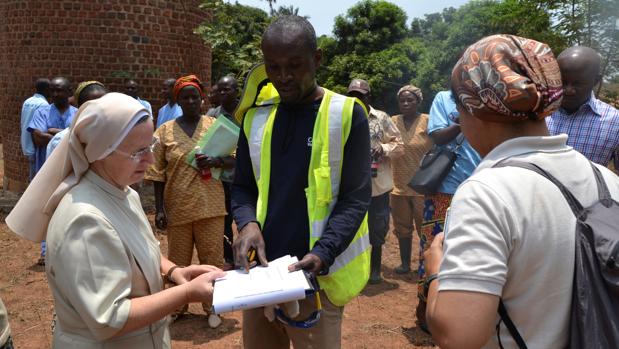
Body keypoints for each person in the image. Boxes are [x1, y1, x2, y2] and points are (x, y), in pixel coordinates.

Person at [423, 34, 619, 349]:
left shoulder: (486, 194)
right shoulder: (607, 181)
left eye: (459, 105)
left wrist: (436, 272)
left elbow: (459, 336)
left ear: (475, 107)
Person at [6, 93, 224, 348]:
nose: (151, 160)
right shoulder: (85, 220)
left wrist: (174, 272)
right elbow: (109, 318)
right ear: (101, 152)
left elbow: (136, 251)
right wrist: (186, 293)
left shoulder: (123, 193)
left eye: (150, 146)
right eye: (138, 151)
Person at [232, 16, 371, 349]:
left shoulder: (347, 114)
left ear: (317, 59)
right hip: (262, 276)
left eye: (295, 65)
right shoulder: (255, 118)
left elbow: (356, 198)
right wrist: (247, 223)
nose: (284, 77)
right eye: (273, 67)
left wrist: (322, 254)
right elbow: (242, 187)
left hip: (317, 277)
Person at [145, 75, 231, 328]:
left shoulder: (215, 126)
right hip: (178, 207)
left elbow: (234, 159)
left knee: (212, 259)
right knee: (178, 261)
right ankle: (176, 306)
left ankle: (214, 305)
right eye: (185, 97)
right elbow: (157, 174)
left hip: (210, 206)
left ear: (202, 99)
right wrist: (159, 209)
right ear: (177, 100)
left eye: (195, 96)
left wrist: (216, 161)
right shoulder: (164, 131)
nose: (191, 101)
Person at [416, 88, 482, 329]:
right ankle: (424, 306)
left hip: (481, 186)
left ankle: (460, 308)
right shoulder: (444, 99)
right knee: (434, 246)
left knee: (470, 250)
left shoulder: (488, 98)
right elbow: (437, 136)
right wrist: (466, 117)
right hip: (446, 188)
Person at [346, 78, 403, 284]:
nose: (356, 99)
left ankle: (375, 270)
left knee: (377, 227)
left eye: (360, 96)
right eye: (352, 96)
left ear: (368, 96)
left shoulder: (381, 118)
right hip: (351, 184)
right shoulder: (341, 116)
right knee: (350, 226)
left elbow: (399, 144)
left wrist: (384, 148)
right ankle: (353, 270)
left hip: (377, 184)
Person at [27, 76, 77, 266]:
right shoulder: (42, 111)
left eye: (60, 90)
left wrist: (53, 131)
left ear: (69, 92)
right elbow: (38, 139)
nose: (55, 94)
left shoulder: (78, 113)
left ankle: (68, 251)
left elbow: (81, 139)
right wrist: (66, 134)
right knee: (48, 211)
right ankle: (46, 252)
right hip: (46, 171)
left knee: (70, 211)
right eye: (53, 90)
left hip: (72, 172)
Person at [546, 46, 619, 170]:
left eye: (578, 84)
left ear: (595, 81)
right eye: (562, 82)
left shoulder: (615, 122)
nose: (568, 90)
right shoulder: (536, 113)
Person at [389, 85, 432, 276]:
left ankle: (426, 264)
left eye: (410, 100)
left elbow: (438, 147)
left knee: (425, 227)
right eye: (402, 100)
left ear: (418, 102)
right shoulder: (392, 121)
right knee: (402, 227)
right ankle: (405, 264)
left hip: (422, 186)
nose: (405, 103)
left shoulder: (428, 121)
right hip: (397, 184)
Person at [206, 75, 240, 267]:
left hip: (245, 175)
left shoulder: (245, 112)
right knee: (224, 219)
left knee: (246, 217)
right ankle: (229, 258)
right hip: (220, 178)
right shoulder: (212, 115)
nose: (222, 93)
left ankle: (249, 253)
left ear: (237, 91)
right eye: (220, 89)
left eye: (227, 89)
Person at [46, 81, 107, 159]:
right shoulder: (60, 141)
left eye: (105, 104)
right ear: (80, 107)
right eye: (92, 106)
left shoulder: (118, 137)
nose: (100, 110)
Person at [20, 78, 50, 181]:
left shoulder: (27, 101)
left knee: (32, 172)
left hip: (26, 142)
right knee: (36, 176)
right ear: (47, 90)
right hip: (35, 145)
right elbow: (37, 128)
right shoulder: (43, 104)